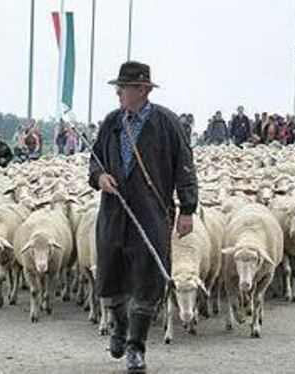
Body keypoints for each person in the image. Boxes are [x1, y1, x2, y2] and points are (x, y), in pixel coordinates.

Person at [89, 61, 198, 373]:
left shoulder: (166, 123)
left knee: (148, 279)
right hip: (113, 212)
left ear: (143, 90)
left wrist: (187, 209)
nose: (119, 93)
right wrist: (100, 178)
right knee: (109, 276)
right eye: (118, 88)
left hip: (152, 212)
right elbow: (93, 162)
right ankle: (119, 328)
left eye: (123, 88)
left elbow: (185, 166)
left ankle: (136, 347)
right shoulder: (112, 122)